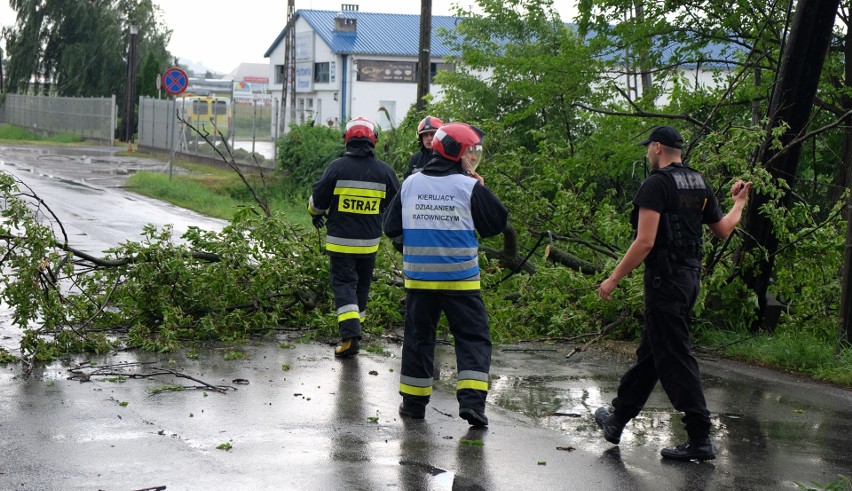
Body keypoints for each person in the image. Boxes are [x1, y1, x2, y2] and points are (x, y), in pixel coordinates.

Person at [595, 125, 752, 461]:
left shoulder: (656, 184)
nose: (646, 154)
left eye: (647, 149)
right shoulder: (698, 182)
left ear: (656, 148)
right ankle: (618, 418)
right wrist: (740, 203)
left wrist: (613, 279)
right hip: (689, 280)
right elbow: (724, 230)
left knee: (675, 357)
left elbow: (645, 241)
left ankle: (699, 437)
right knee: (652, 354)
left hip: (664, 282)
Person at [383, 122, 508, 427]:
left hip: (419, 279)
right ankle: (472, 405)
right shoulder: (468, 186)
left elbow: (390, 228)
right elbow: (496, 224)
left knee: (418, 338)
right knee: (472, 338)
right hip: (460, 279)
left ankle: (413, 405)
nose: (471, 158)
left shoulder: (411, 183)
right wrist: (481, 187)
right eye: (469, 152)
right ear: (456, 153)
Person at [307, 116, 401, 358]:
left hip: (340, 244)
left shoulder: (336, 167)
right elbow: (397, 206)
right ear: (373, 141)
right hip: (369, 244)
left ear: (347, 140)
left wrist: (315, 214)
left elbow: (318, 200)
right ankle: (355, 331)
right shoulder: (385, 172)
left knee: (343, 286)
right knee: (361, 287)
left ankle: (350, 336)